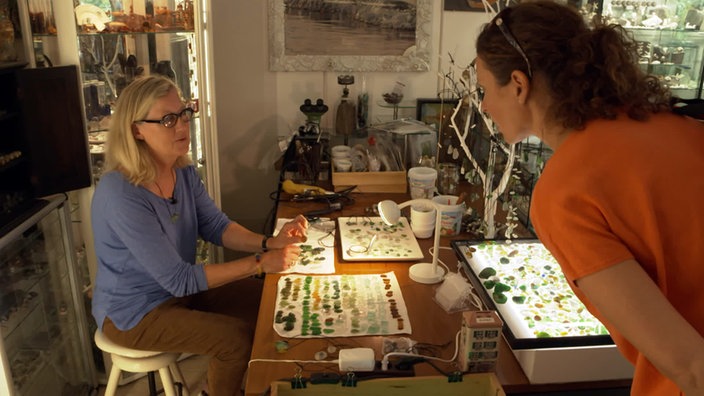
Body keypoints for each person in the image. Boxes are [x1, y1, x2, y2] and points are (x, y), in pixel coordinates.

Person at [474, 2, 704, 395]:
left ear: (518, 84)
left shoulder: (565, 190)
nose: (483, 105)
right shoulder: (680, 123)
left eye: (483, 90)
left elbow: (692, 366)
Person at [91, 75, 309, 396]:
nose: (181, 126)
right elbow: (179, 279)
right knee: (233, 340)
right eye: (167, 119)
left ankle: (263, 382)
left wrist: (270, 242)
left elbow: (218, 227)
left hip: (179, 294)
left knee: (275, 299)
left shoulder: (182, 172)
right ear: (136, 130)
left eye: (183, 114)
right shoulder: (121, 193)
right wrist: (261, 262)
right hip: (134, 313)